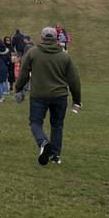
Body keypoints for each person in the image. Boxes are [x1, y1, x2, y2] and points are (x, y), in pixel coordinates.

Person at [14, 27, 81, 166]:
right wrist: (76, 100)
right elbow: (74, 79)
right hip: (60, 95)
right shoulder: (64, 56)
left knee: (35, 122)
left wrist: (18, 88)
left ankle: (43, 142)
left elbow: (23, 74)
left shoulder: (33, 53)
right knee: (57, 125)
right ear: (56, 38)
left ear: (42, 37)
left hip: (39, 94)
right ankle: (55, 155)